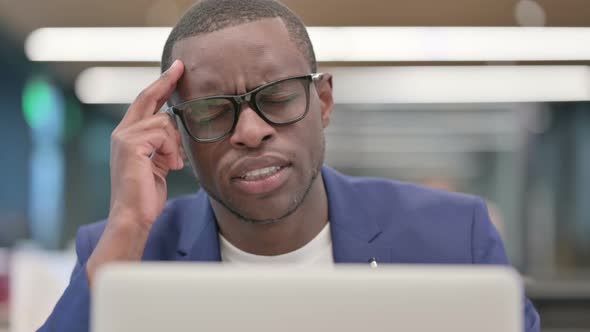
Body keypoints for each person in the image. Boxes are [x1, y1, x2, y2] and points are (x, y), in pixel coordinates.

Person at [38, 0, 540, 331]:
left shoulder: (455, 237)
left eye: (277, 98)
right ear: (180, 136)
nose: (251, 131)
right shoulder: (121, 251)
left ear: (323, 102)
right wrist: (128, 224)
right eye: (212, 112)